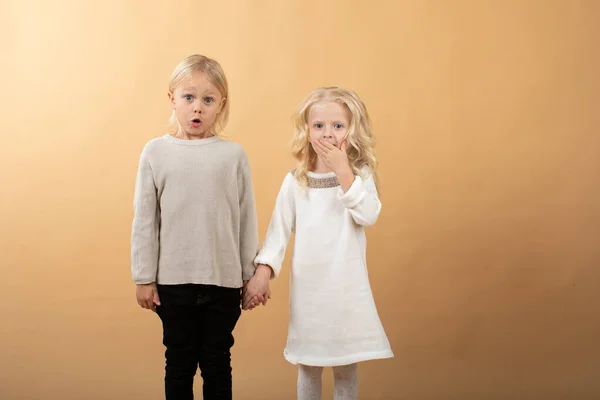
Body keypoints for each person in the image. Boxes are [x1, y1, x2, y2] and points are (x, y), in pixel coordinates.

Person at [243, 86, 394, 399]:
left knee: (346, 369)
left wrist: (344, 173)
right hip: (310, 293)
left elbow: (368, 215)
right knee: (309, 366)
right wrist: (262, 274)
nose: (328, 134)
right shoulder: (296, 180)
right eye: (319, 126)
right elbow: (278, 232)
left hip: (346, 290)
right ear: (307, 130)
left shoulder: (359, 175)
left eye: (338, 126)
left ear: (352, 130)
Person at [131, 54, 263, 400]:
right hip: (173, 282)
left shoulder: (233, 155)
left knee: (217, 361)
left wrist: (250, 275)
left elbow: (246, 217)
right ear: (172, 99)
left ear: (221, 104)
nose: (197, 109)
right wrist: (143, 276)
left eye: (208, 100)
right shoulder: (155, 153)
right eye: (188, 97)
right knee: (179, 361)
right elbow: (146, 220)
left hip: (223, 281)